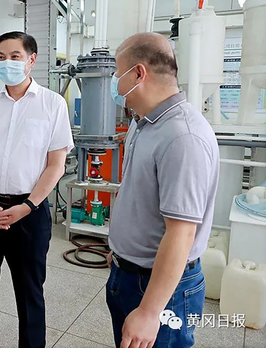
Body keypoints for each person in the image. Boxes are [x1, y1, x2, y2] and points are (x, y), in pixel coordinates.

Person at [106, 32, 219, 348]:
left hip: (162, 290)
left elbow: (181, 233)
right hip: (130, 273)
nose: (115, 83)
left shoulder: (182, 137)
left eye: (117, 73)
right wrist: (121, 251)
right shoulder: (142, 123)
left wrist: (149, 312)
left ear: (138, 74)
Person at [0, 31, 74, 348]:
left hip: (29, 211)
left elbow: (56, 165)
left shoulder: (52, 104)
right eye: (1, 57)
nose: (7, 62)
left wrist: (28, 206)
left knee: (29, 290)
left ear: (31, 60)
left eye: (15, 56)